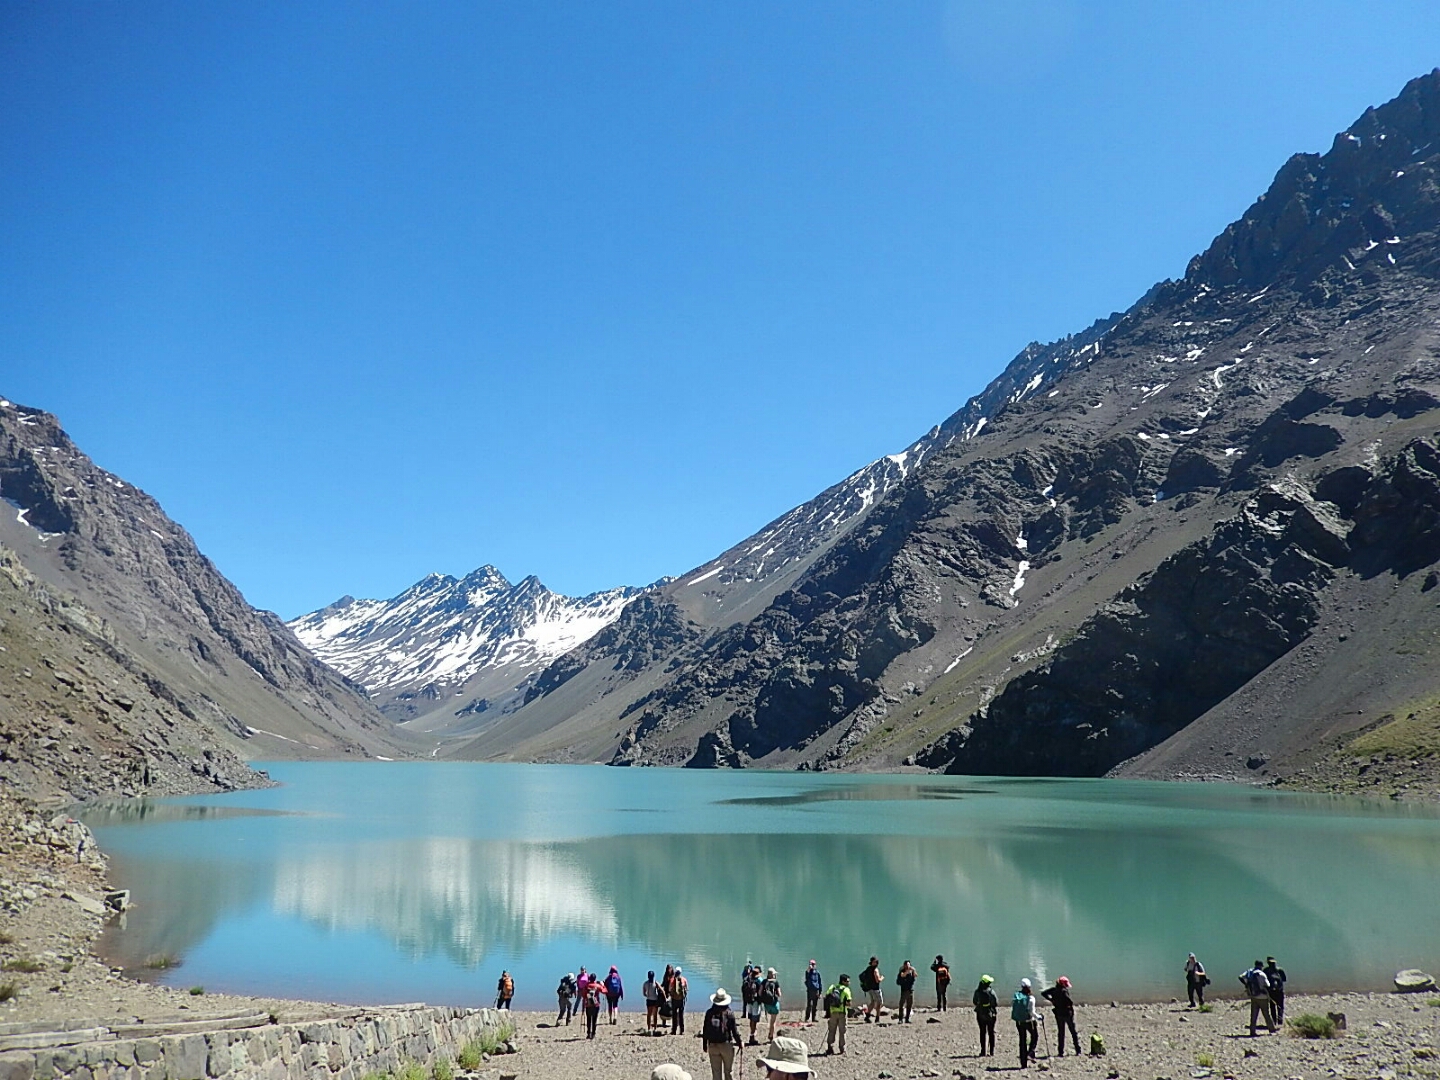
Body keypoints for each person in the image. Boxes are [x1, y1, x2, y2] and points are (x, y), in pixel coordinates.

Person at [701, 987, 744, 1080]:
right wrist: (740, 1043)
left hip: (712, 1044)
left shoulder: (709, 1013)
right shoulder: (729, 1013)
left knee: (716, 1072)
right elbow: (734, 1031)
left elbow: (705, 1029)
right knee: (728, 1071)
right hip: (726, 1044)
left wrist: (704, 1044)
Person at [1041, 976, 1080, 1056]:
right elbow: (1069, 1002)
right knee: (1073, 1032)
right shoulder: (1064, 991)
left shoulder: (1053, 990)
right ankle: (1078, 1050)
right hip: (1067, 1014)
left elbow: (1043, 993)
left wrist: (1052, 1000)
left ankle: (1060, 1051)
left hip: (1058, 1013)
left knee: (1061, 1033)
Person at [1239, 960, 1275, 1035]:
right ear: (1261, 966)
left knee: (1253, 1014)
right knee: (1266, 1014)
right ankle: (1271, 1029)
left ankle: (1252, 1031)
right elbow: (1268, 985)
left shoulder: (1249, 972)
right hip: (1263, 997)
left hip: (1253, 996)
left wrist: (1246, 984)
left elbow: (1240, 977)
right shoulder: (1262, 974)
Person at [1011, 978, 1038, 1068]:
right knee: (1034, 1036)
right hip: (1029, 1021)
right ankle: (1030, 1053)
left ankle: (1023, 1064)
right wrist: (1040, 1017)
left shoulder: (1016, 996)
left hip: (1019, 1021)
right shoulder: (1031, 998)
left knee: (1022, 1041)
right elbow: (1032, 1013)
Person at [824, 973, 852, 1055]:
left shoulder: (832, 987)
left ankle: (830, 1047)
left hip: (833, 1012)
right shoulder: (846, 990)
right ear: (843, 981)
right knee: (842, 1031)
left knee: (831, 1030)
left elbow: (827, 997)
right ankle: (842, 1049)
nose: (849, 983)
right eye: (847, 981)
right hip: (842, 1013)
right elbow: (849, 1003)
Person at [972, 974, 998, 1056]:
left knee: (982, 1032)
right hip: (990, 1014)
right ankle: (991, 1051)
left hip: (980, 1014)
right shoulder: (991, 992)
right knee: (991, 1032)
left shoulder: (977, 991)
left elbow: (974, 1002)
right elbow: (996, 1003)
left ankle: (983, 1051)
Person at [742, 964, 762, 1044]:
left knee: (751, 1019)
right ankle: (752, 1037)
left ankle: (752, 1033)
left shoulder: (747, 979)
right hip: (756, 1003)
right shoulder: (759, 981)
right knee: (755, 1019)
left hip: (749, 1002)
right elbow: (760, 993)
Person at [760, 967, 782, 1042]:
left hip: (767, 1005)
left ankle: (770, 1033)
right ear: (772, 975)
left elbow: (760, 993)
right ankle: (771, 1036)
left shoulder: (764, 981)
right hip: (774, 1004)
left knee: (770, 1019)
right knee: (773, 1021)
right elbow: (779, 994)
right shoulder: (776, 982)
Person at [860, 956, 884, 1021]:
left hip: (869, 988)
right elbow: (877, 980)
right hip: (875, 989)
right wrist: (882, 978)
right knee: (879, 1003)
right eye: (875, 962)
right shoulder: (875, 970)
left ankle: (868, 1015)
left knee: (873, 1002)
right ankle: (877, 1018)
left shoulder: (868, 968)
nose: (876, 963)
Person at [1264, 957, 1287, 1025]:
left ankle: (1274, 1021)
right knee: (1280, 1007)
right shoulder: (1280, 970)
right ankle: (1280, 1021)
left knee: (1272, 1007)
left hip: (1271, 992)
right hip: (1280, 991)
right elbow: (1284, 979)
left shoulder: (1266, 970)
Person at [583, 970, 604, 1039]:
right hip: (596, 1005)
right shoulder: (597, 986)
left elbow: (583, 994)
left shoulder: (587, 985)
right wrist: (602, 984)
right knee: (594, 1020)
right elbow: (605, 991)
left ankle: (588, 1033)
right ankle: (593, 1034)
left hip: (588, 1005)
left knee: (588, 1019)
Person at [670, 965, 688, 1035]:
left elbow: (670, 989)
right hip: (681, 1000)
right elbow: (686, 989)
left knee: (674, 1015)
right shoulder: (684, 980)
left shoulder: (672, 980)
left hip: (674, 999)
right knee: (681, 1015)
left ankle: (674, 1030)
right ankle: (682, 1030)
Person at [644, 969, 663, 1034]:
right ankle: (655, 1028)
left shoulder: (645, 983)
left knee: (649, 1015)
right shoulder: (656, 983)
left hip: (649, 1000)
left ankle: (649, 1028)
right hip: (655, 1000)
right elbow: (662, 990)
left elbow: (644, 993)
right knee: (655, 1015)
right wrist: (665, 998)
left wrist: (647, 995)